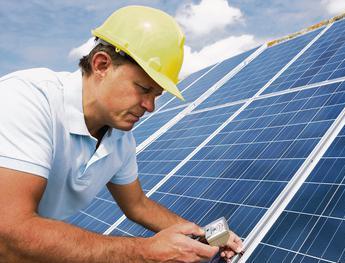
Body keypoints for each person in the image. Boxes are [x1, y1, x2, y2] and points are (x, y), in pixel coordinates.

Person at [0, 5, 243, 262]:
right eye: (143, 89)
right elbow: (7, 235)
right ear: (102, 64)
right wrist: (145, 252)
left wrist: (200, 235)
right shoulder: (27, 100)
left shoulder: (120, 140)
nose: (150, 107)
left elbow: (137, 204)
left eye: (156, 95)